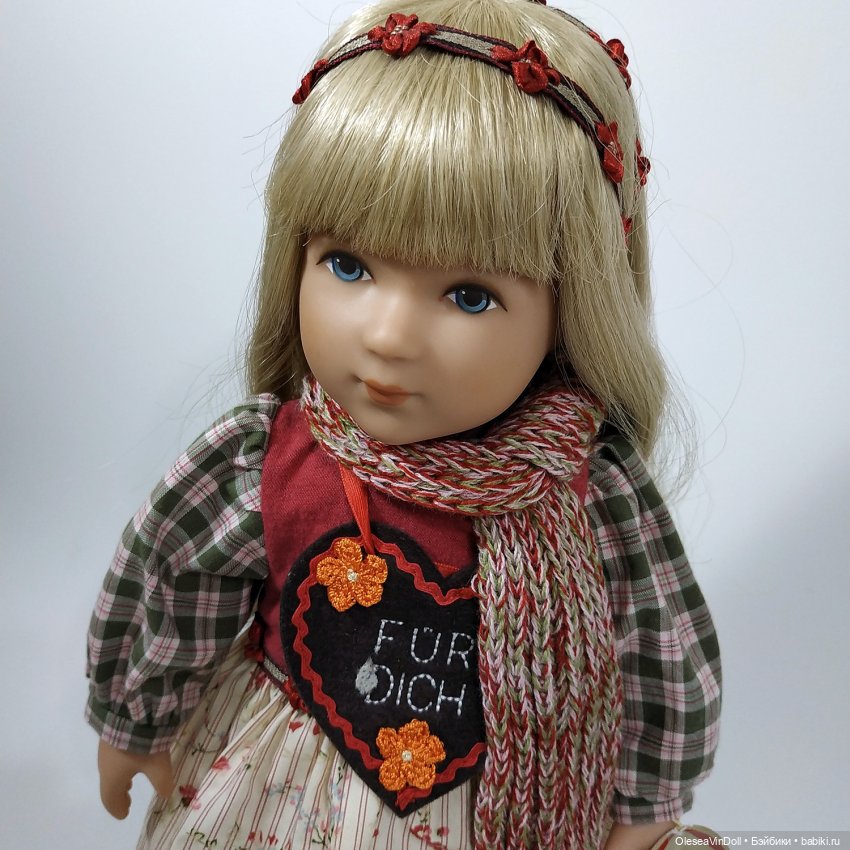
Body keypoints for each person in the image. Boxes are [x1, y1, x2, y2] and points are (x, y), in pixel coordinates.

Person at [85, 1, 722, 848]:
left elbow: (656, 649)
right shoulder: (267, 460)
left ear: (573, 311)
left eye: (470, 295)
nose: (387, 336)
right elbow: (175, 581)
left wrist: (645, 806)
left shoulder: (586, 489)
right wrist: (136, 719)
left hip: (503, 806)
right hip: (282, 786)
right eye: (347, 265)